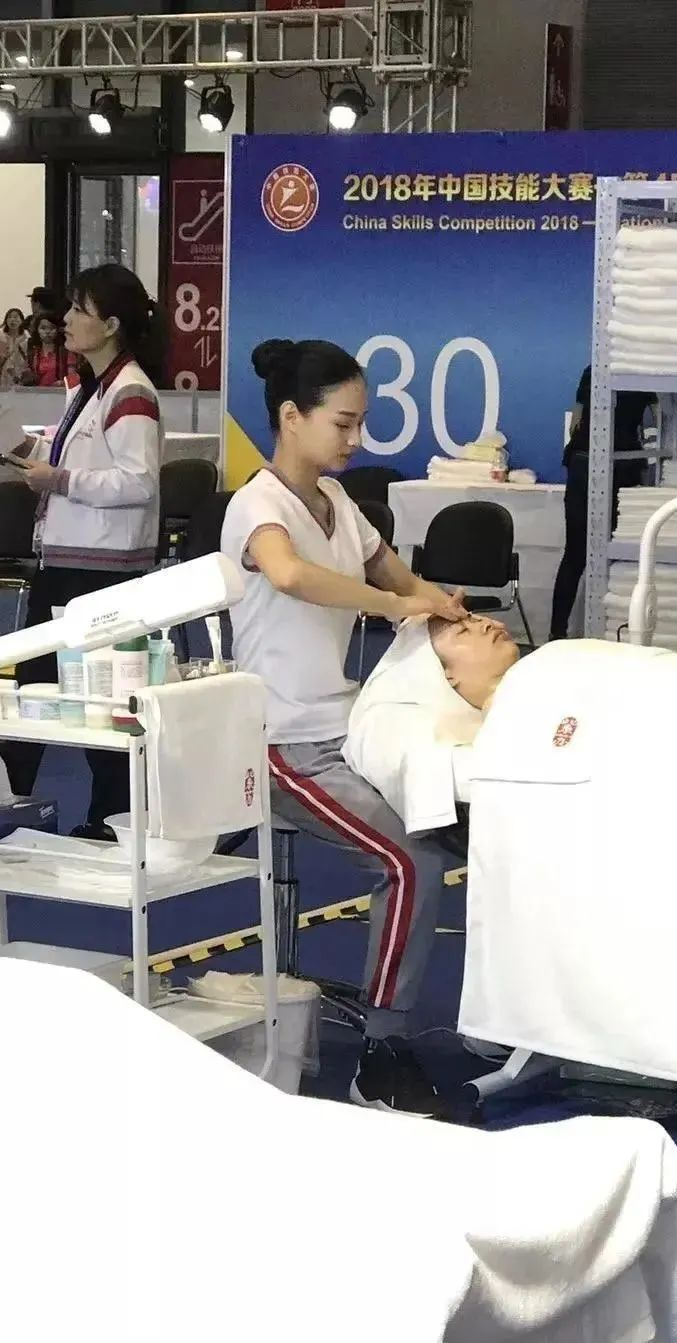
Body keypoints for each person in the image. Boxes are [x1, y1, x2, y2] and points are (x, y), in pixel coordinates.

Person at [221, 338, 472, 1118]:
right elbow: (291, 573)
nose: (355, 439)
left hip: (349, 726)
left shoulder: (340, 504)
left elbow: (402, 576)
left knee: (462, 825)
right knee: (409, 860)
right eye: (343, 423)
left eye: (361, 423)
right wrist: (394, 605)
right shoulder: (258, 505)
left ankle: (508, 1019)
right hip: (281, 741)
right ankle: (382, 1053)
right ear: (291, 417)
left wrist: (448, 610)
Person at [0, 263, 163, 838]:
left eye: (78, 310)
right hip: (68, 562)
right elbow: (80, 458)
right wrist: (29, 452)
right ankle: (9, 804)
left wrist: (60, 480)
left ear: (112, 324)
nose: (64, 320)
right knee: (35, 692)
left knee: (103, 705)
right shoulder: (92, 386)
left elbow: (139, 482)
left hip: (101, 573)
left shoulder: (131, 391)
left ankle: (108, 823)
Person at [343, 614, 519, 837]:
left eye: (478, 620)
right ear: (444, 672)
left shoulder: (545, 670)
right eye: (464, 631)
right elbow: (425, 768)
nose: (489, 624)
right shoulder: (395, 725)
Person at [549, 364, 656, 640]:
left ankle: (556, 635)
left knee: (574, 555)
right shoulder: (645, 369)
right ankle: (611, 633)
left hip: (584, 461)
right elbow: (656, 423)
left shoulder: (593, 368)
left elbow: (576, 421)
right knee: (622, 551)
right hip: (624, 462)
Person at [26, 314, 74, 387]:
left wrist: (63, 383)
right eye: (43, 328)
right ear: (37, 330)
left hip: (60, 392)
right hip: (36, 392)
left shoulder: (66, 353)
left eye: (52, 328)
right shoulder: (32, 353)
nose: (47, 331)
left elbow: (73, 378)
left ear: (57, 330)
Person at [0, 307, 29, 387]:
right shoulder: (1, 337)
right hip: (5, 374)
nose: (12, 320)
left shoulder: (26, 337)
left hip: (21, 373)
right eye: (9, 317)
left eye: (15, 317)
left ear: (21, 320)